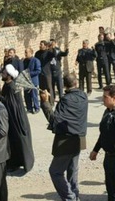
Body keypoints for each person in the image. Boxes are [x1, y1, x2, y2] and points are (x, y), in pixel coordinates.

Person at [40, 73, 88, 201]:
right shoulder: (83, 96)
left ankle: (70, 198)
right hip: (79, 139)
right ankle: (75, 195)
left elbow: (55, 121)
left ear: (64, 85)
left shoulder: (66, 100)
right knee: (73, 170)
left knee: (55, 171)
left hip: (66, 141)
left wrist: (45, 102)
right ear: (76, 83)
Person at [1, 64, 34, 173]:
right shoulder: (7, 85)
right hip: (11, 117)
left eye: (4, 73)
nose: (2, 74)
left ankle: (18, 163)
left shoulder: (12, 87)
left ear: (9, 76)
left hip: (16, 119)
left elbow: (12, 104)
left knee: (18, 141)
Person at [35, 40, 56, 105]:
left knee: (49, 87)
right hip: (40, 73)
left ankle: (51, 102)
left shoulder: (48, 52)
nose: (40, 46)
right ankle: (43, 102)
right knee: (41, 88)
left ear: (45, 46)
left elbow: (54, 54)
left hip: (47, 72)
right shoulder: (37, 53)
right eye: (40, 44)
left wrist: (52, 47)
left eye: (41, 44)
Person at [23, 47, 41, 114]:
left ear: (31, 53)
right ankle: (29, 108)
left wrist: (29, 74)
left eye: (26, 52)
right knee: (27, 96)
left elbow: (38, 70)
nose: (25, 54)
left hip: (33, 81)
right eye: (25, 52)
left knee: (34, 95)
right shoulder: (24, 61)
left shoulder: (36, 60)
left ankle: (37, 108)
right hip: (26, 81)